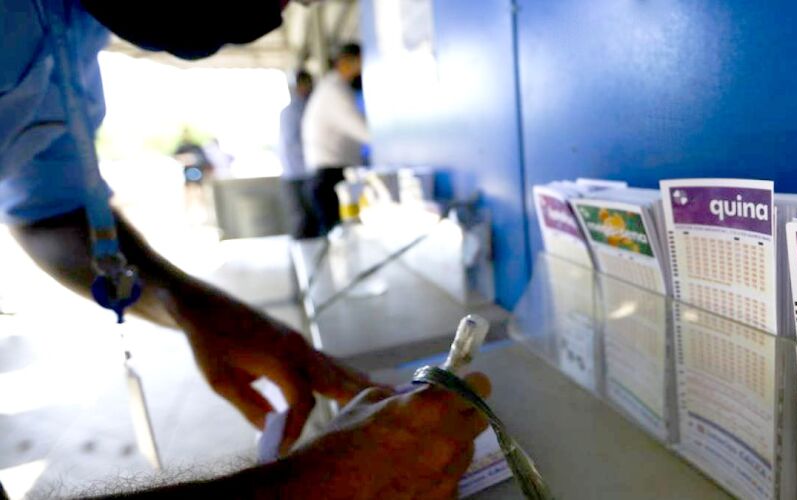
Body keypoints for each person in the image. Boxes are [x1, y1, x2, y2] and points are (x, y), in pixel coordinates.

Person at [0, 0, 489, 497]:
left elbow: (50, 211)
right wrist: (318, 484)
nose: (294, 7)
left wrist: (189, 305)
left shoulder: (69, 27)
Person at [302, 43, 371, 234]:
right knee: (341, 239)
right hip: (331, 178)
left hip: (330, 174)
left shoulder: (334, 88)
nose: (361, 70)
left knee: (340, 238)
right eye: (360, 63)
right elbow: (363, 131)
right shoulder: (335, 90)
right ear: (346, 62)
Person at [279, 70, 318, 239]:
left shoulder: (299, 108)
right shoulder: (297, 109)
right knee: (305, 223)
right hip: (299, 175)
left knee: (307, 222)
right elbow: (295, 144)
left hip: (297, 174)